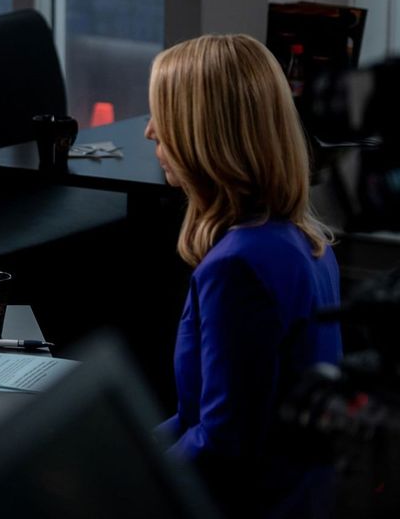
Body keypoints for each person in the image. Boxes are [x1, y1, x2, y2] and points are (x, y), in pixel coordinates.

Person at [145, 34, 342, 519]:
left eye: (163, 118)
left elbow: (222, 444)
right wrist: (128, 448)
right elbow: (206, 420)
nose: (151, 132)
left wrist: (122, 481)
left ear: (202, 132)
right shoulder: (307, 241)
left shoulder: (237, 267)